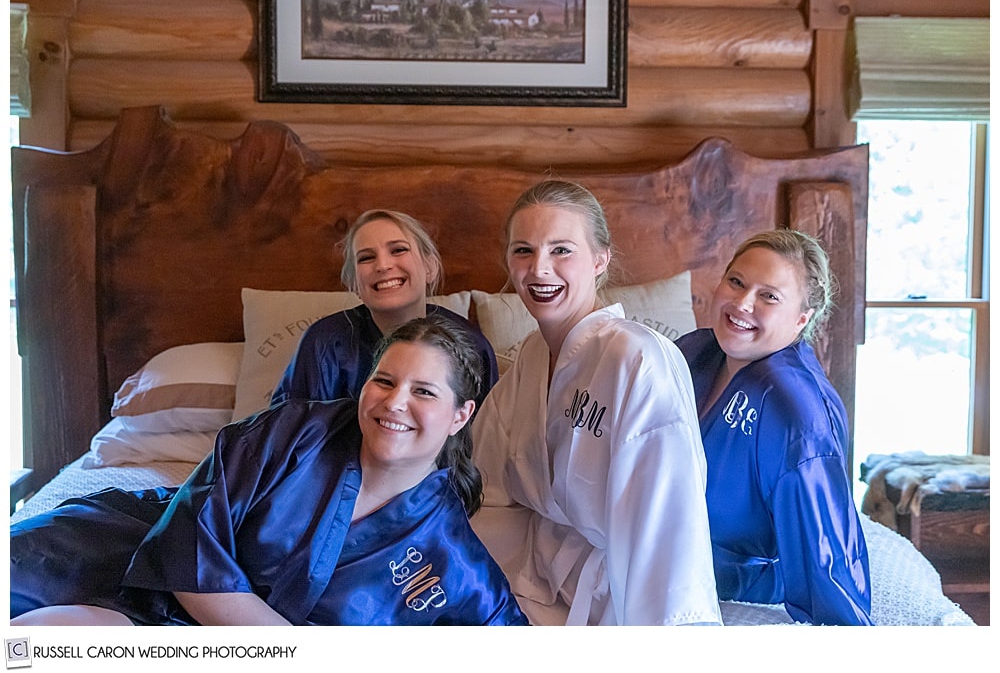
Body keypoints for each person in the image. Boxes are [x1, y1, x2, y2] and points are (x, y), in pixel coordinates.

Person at [10, 316, 528, 626]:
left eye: (424, 391)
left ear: (462, 415)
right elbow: (190, 542)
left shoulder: (453, 556)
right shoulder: (292, 433)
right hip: (131, 556)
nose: (394, 403)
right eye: (384, 381)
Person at [471, 179, 722, 626]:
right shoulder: (530, 355)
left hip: (617, 597)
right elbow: (485, 481)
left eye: (561, 250)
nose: (539, 270)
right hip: (531, 578)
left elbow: (666, 522)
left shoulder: (637, 360)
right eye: (523, 251)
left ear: (601, 259)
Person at [675, 228, 872, 625]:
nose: (742, 303)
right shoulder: (694, 352)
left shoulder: (796, 412)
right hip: (661, 559)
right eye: (736, 282)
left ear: (802, 319)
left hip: (738, 584)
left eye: (769, 296)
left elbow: (825, 547)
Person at [271, 208, 498, 409]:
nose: (383, 265)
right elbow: (289, 437)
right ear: (355, 284)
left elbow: (489, 438)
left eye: (398, 250)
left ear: (430, 267)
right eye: (366, 258)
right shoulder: (325, 343)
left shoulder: (469, 343)